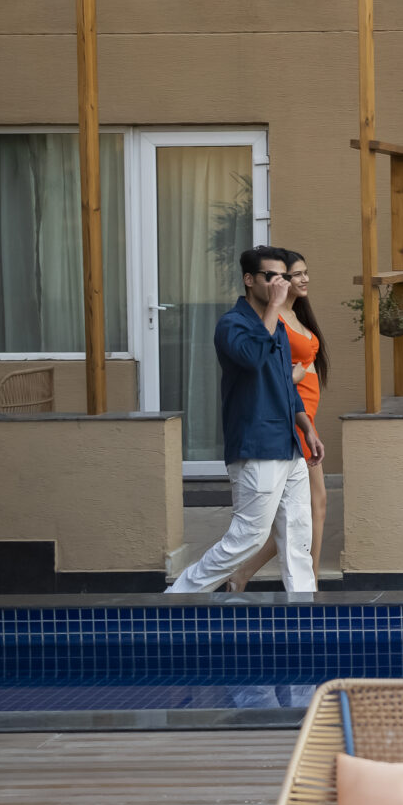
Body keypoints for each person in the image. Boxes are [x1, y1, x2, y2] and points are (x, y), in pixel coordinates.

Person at [167, 246, 322, 594]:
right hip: (257, 447)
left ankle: (304, 610)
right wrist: (274, 308)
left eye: (283, 277)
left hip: (289, 444)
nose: (280, 284)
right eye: (271, 276)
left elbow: (284, 383)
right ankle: (177, 598)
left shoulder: (275, 326)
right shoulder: (232, 324)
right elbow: (252, 357)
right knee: (247, 539)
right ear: (249, 280)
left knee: (298, 535)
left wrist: (307, 428)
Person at [225, 247, 328, 591]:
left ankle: (290, 582)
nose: (299, 280)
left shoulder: (294, 315)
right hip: (284, 419)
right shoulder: (271, 320)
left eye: (297, 274)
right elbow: (264, 365)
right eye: (292, 275)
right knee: (308, 510)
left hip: (303, 416)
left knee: (309, 510)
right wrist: (292, 378)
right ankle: (248, 575)